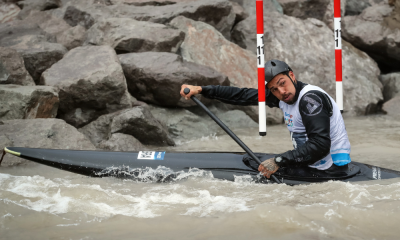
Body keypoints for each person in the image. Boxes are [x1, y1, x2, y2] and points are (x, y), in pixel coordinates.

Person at [180, 59, 351, 179]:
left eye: (282, 83)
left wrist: (278, 161)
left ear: (292, 75)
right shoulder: (284, 96)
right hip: (312, 162)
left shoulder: (310, 100)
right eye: (274, 89)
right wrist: (202, 89)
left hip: (330, 170)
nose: (281, 92)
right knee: (250, 161)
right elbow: (243, 95)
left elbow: (320, 145)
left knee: (255, 172)